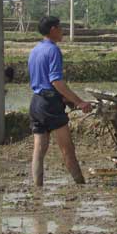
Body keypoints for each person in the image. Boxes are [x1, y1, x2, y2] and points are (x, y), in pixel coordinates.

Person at [28, 16, 93, 187]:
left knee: (39, 149)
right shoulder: (53, 50)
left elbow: (42, 80)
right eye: (60, 27)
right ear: (53, 30)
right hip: (50, 104)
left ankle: (37, 187)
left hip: (36, 102)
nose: (62, 31)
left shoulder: (35, 50)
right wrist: (80, 102)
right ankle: (81, 185)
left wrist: (64, 98)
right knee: (67, 149)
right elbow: (56, 81)